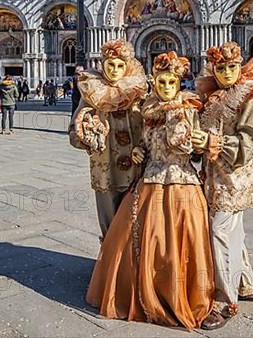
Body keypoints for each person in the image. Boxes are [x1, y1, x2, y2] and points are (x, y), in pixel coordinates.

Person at [86, 51, 214, 329]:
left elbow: (197, 151)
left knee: (177, 240)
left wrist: (201, 143)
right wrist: (138, 151)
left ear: (179, 83)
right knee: (132, 237)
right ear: (153, 82)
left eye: (171, 82)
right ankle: (136, 288)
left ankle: (178, 291)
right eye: (161, 82)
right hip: (149, 178)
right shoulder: (148, 110)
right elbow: (146, 143)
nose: (166, 88)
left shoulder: (190, 109)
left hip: (181, 181)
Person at [192, 41, 253, 330]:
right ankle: (246, 283)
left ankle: (225, 301)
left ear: (240, 67)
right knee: (233, 230)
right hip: (217, 175)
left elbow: (251, 141)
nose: (226, 73)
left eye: (232, 67)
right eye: (220, 68)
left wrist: (213, 142)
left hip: (236, 177)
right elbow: (205, 131)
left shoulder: (248, 96)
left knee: (219, 231)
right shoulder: (213, 94)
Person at [69, 39, 147, 237]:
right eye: (110, 65)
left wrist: (144, 146)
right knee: (109, 222)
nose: (115, 70)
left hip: (136, 165)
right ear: (102, 64)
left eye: (120, 66)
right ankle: (109, 265)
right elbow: (74, 131)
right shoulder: (93, 92)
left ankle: (131, 265)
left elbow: (152, 126)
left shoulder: (137, 91)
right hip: (105, 166)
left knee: (135, 220)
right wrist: (87, 134)